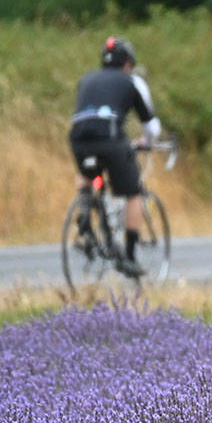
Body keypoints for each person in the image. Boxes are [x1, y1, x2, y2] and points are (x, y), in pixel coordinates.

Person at [69, 36, 163, 278]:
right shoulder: (131, 81)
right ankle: (130, 256)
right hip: (110, 140)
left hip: (78, 138)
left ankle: (85, 212)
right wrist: (147, 143)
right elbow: (151, 127)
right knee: (133, 192)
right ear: (128, 64)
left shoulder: (86, 79)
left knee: (87, 173)